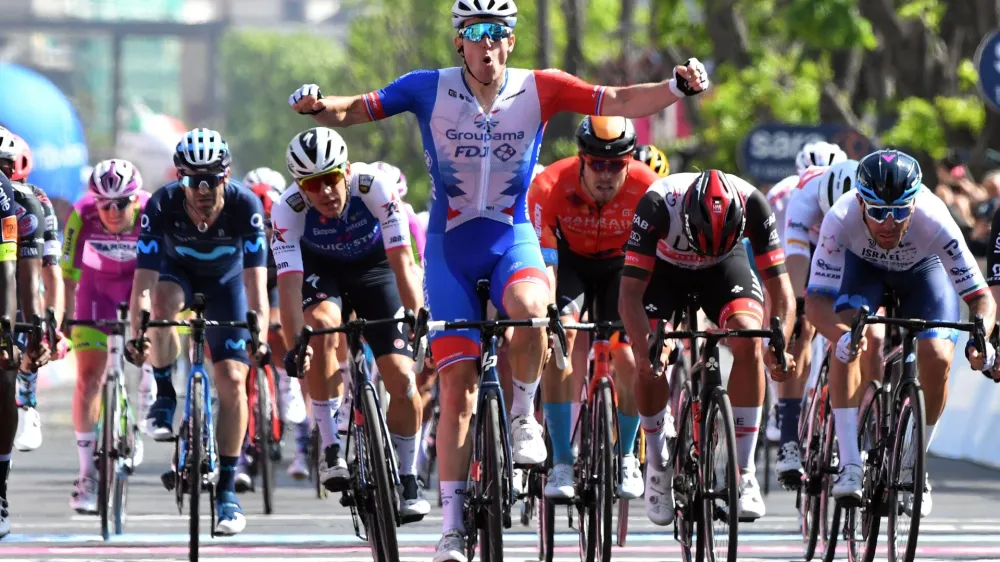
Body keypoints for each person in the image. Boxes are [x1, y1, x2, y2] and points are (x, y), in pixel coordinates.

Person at [289, 1, 709, 557]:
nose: (486, 43)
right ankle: (452, 526)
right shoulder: (427, 87)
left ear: (510, 40)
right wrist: (317, 105)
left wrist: (676, 88)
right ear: (458, 42)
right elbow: (357, 109)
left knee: (534, 309)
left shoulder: (541, 88)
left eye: (498, 32)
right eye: (474, 32)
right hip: (450, 247)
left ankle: (521, 420)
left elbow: (622, 101)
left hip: (511, 236)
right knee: (458, 391)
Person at [805, 149, 996, 518]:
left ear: (915, 203)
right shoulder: (840, 217)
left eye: (899, 212)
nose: (888, 224)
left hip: (924, 273)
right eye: (877, 212)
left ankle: (913, 463)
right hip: (864, 271)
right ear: (860, 202)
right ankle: (850, 464)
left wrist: (981, 335)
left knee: (939, 356)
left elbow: (981, 299)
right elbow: (816, 304)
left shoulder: (935, 217)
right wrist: (840, 336)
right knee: (847, 340)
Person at [619, 170, 796, 525]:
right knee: (648, 359)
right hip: (665, 272)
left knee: (748, 340)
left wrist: (777, 345)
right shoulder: (657, 204)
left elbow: (782, 291)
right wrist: (647, 347)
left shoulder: (754, 205)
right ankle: (657, 465)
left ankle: (742, 473)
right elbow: (629, 296)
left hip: (723, 269)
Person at [271, 127, 429, 518]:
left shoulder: (374, 186)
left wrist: (418, 316)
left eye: (330, 179)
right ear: (299, 186)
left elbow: (403, 262)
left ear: (345, 170)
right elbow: (289, 289)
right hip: (321, 272)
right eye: (312, 184)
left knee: (403, 379)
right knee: (320, 329)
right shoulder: (286, 210)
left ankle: (408, 477)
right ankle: (329, 448)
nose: (325, 192)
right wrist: (295, 347)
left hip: (376, 268)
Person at [127, 128, 270, 535]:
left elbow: (255, 283)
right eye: (193, 179)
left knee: (232, 380)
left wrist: (257, 333)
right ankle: (165, 393)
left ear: (227, 175)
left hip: (226, 285)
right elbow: (143, 282)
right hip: (179, 275)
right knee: (162, 303)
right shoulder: (162, 204)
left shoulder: (246, 205)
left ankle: (227, 489)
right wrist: (139, 334)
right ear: (179, 179)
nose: (203, 189)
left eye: (212, 178)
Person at [528, 116, 658, 501]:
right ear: (581, 159)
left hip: (623, 268)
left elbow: (660, 262)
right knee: (561, 340)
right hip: (568, 266)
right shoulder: (549, 186)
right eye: (597, 164)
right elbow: (545, 266)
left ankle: (627, 456)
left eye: (616, 164)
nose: (606, 174)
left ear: (630, 161)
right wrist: (551, 314)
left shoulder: (649, 189)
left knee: (631, 357)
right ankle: (563, 461)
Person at [61, 159, 152, 513]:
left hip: (137, 287)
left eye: (121, 203)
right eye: (105, 205)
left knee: (154, 333)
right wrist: (63, 319)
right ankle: (87, 475)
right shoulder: (81, 213)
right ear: (94, 202)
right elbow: (66, 274)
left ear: (135, 199)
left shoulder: (151, 210)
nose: (113, 212)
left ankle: (148, 387)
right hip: (95, 292)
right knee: (88, 378)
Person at [758, 141, 845, 461]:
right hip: (789, 253)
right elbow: (782, 258)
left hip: (833, 251)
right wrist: (790, 312)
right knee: (796, 328)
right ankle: (783, 406)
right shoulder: (783, 197)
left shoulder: (850, 192)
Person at [237, 167, 313, 484]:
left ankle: (287, 383)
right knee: (240, 352)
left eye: (269, 220)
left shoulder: (292, 215)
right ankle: (242, 452)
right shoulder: (237, 212)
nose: (265, 228)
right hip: (248, 273)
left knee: (281, 326)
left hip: (278, 272)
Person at [0, 131, 64, 452]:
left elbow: (51, 274)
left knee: (28, 308)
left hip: (23, 271)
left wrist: (51, 328)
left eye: (6, 169)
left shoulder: (34, 202)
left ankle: (26, 399)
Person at [0, 167, 49, 538]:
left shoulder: (11, 199)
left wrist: (9, 329)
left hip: (3, 279)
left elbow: (13, 270)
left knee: (4, 379)